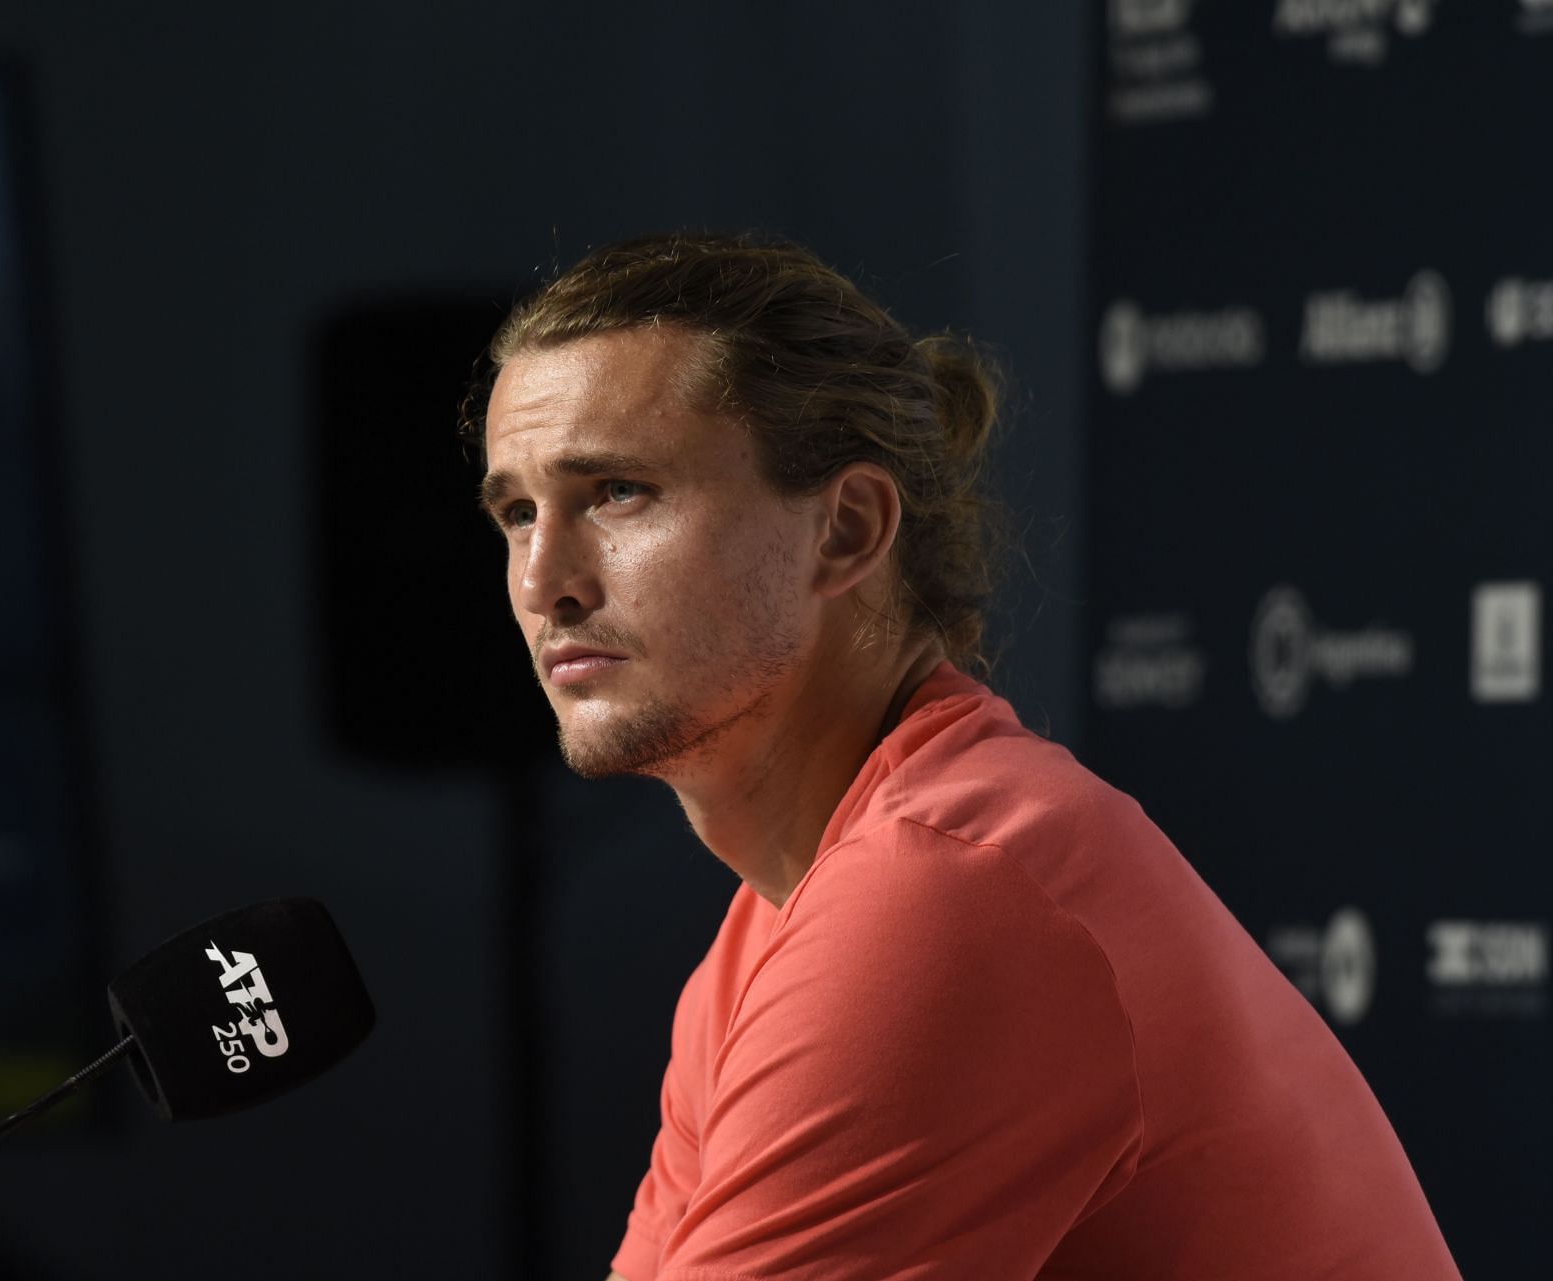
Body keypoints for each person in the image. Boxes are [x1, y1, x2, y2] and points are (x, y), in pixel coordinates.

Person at [462, 232, 1459, 1281]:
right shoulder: (777, 924)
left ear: (845, 532)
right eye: (517, 512)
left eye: (618, 492)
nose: (543, 582)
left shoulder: (942, 888)